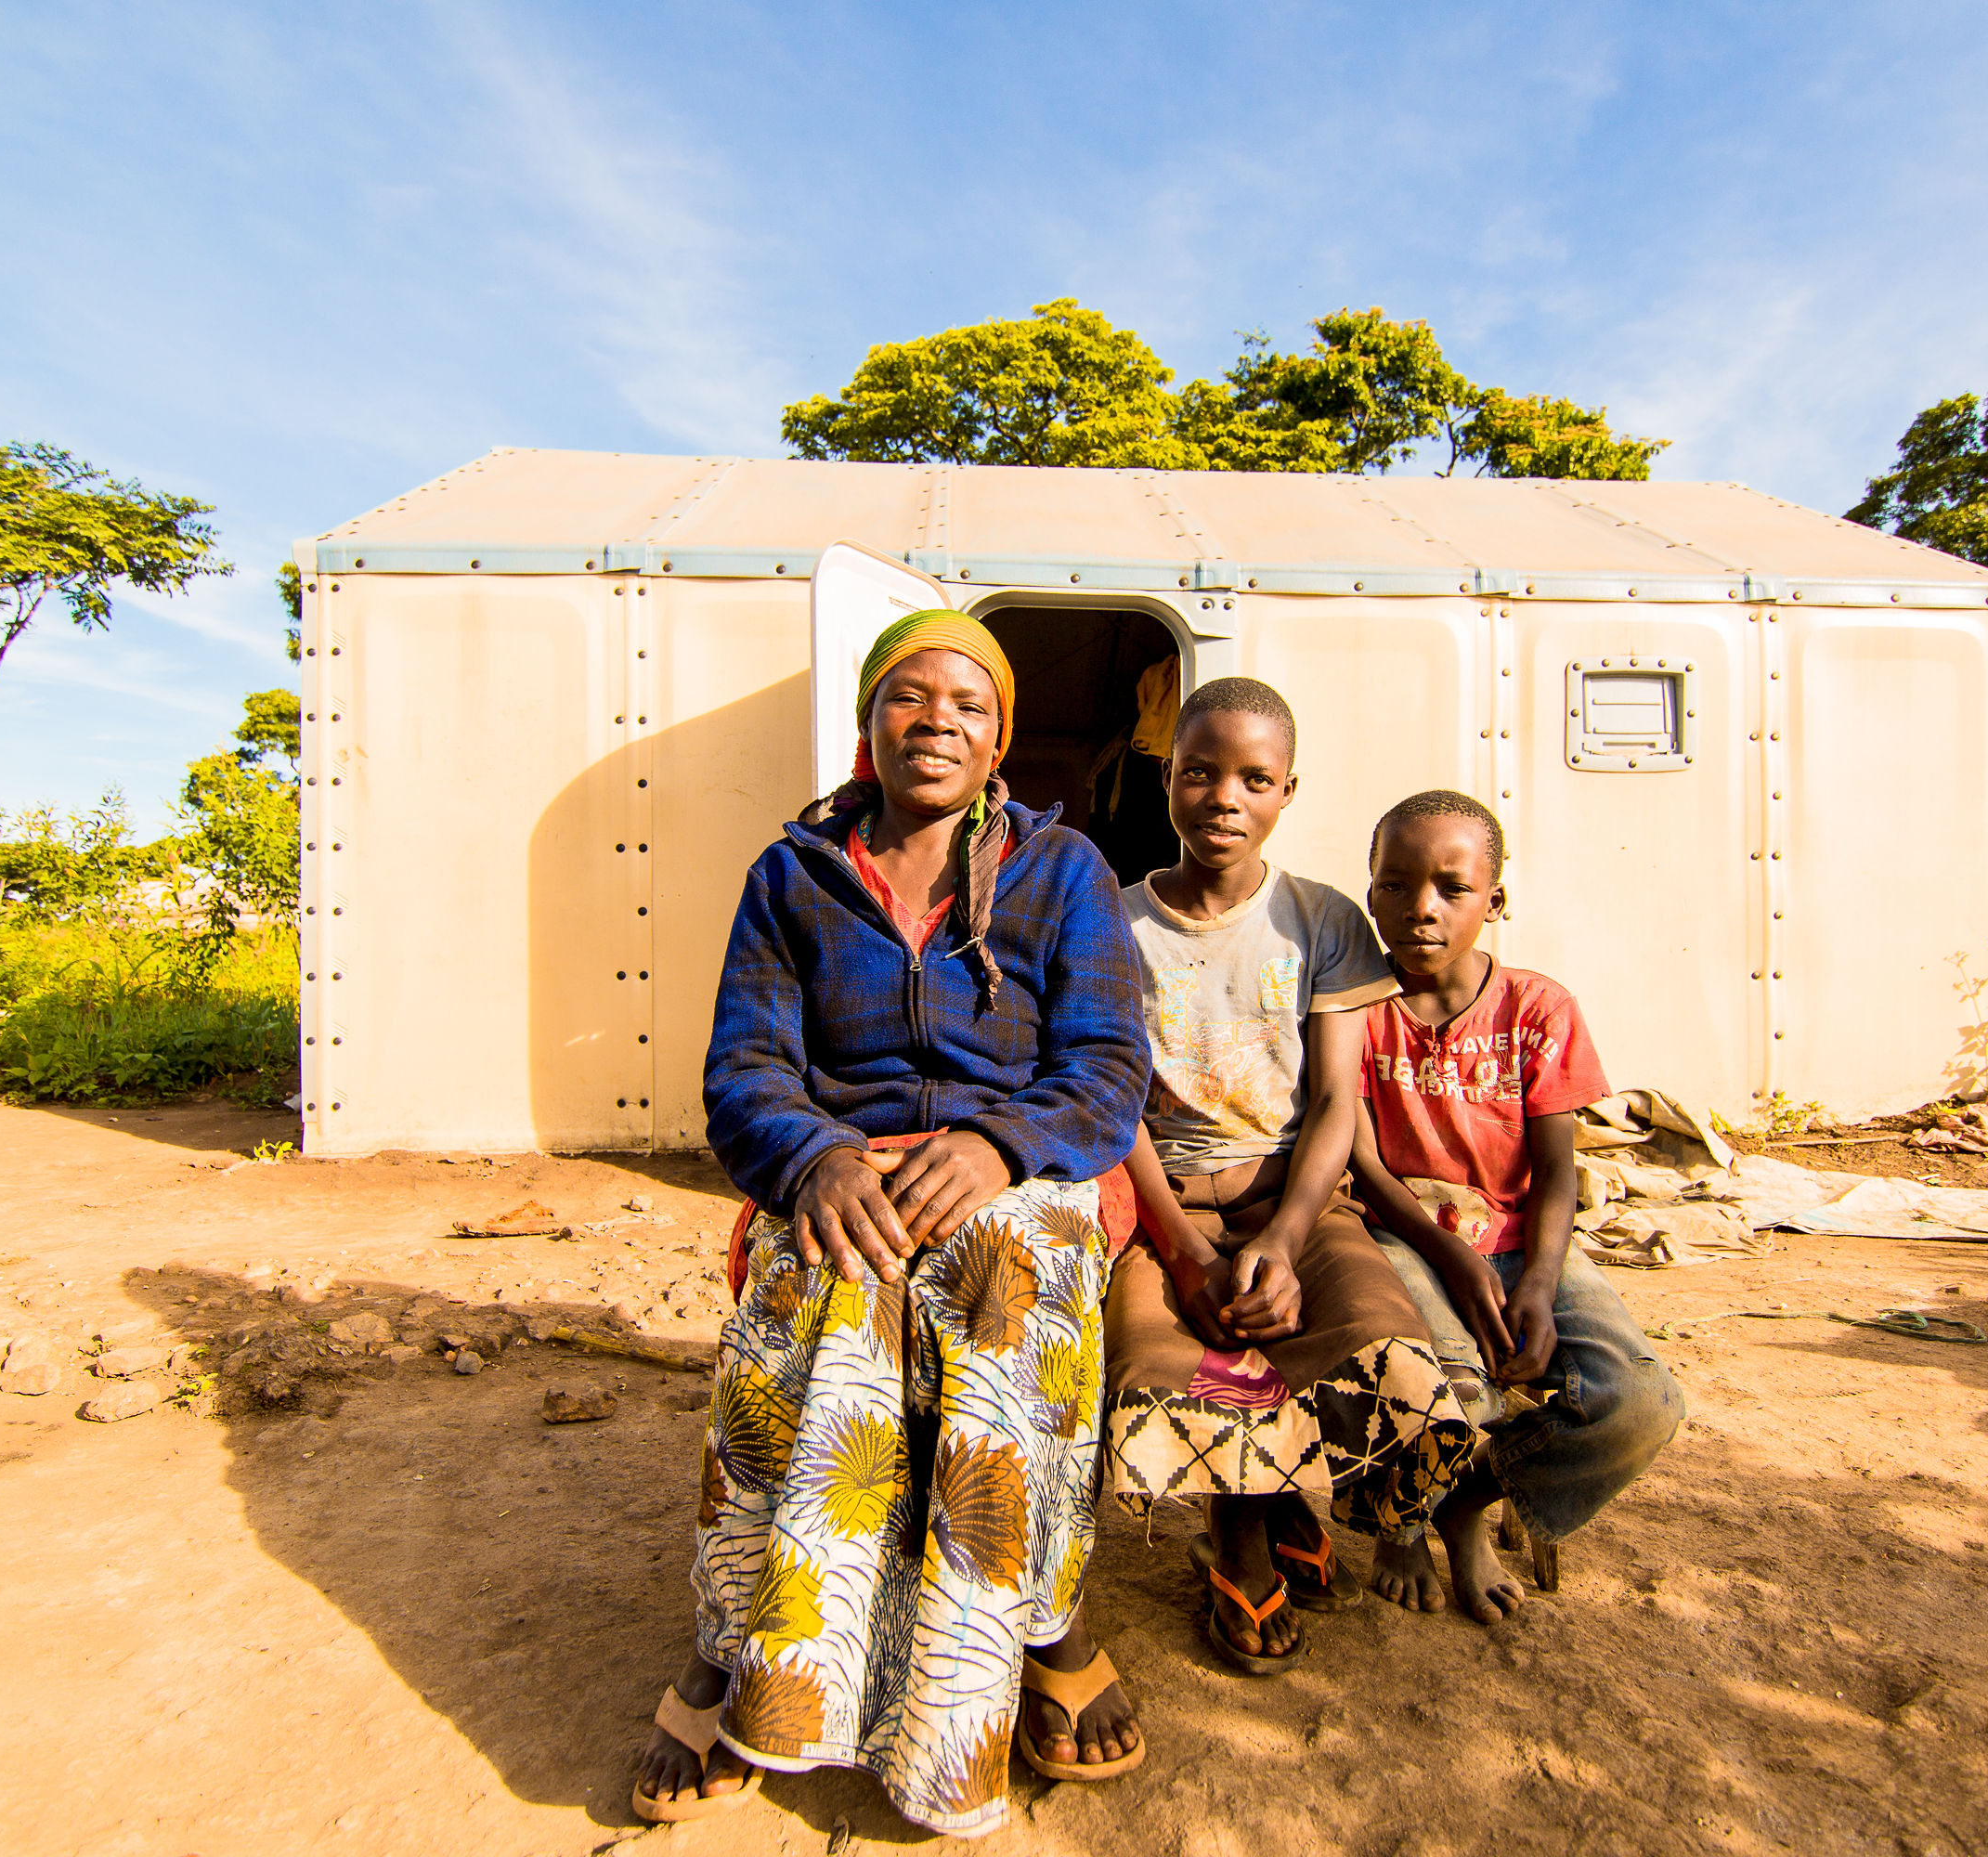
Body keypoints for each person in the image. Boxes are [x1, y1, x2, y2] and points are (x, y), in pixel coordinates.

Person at [632, 611, 1152, 1838]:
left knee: (999, 1280)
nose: (937, 722)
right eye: (907, 698)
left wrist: (996, 1146)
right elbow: (746, 1070)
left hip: (1016, 1163)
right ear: (868, 728)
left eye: (967, 705)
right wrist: (812, 1160)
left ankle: (1035, 1633)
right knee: (821, 1285)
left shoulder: (1060, 870)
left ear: (999, 740)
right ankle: (740, 1645)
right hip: (845, 1164)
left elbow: (1106, 1072)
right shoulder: (793, 876)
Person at [1100, 677, 1481, 1675]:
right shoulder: (1113, 923)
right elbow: (1113, 1102)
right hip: (1162, 1203)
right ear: (1166, 778)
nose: (1225, 795)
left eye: (1254, 777)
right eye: (1199, 771)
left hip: (1295, 1192)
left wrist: (1278, 1236)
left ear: (1288, 791)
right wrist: (1182, 1248)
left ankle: (1285, 1498)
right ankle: (1238, 1531)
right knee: (1173, 1351)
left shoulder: (1322, 919)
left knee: (1373, 1335)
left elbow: (1333, 1105)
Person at [1345, 789, 1684, 1621]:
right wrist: (1451, 1254)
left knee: (1639, 1403)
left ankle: (1468, 1504)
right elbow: (1360, 1159)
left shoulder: (1537, 1008)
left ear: (1494, 902)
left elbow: (1557, 1169)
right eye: (1396, 884)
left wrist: (1538, 1280)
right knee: (1455, 1391)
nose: (1421, 908)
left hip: (1524, 1241)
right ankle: (1404, 1521)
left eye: (1452, 888)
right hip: (1407, 1235)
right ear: (1371, 891)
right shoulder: (1352, 1006)